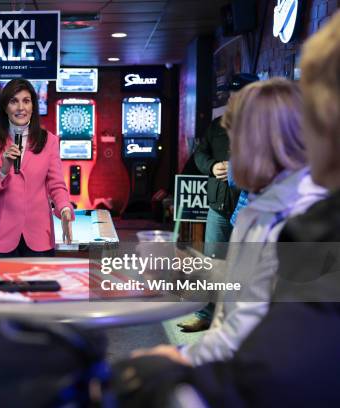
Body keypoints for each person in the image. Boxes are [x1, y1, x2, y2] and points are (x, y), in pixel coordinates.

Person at [120, 12, 340, 406]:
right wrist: (179, 261)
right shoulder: (261, 201)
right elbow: (241, 284)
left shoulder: (302, 219)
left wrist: (181, 365)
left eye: (233, 136)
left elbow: (252, 331)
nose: (229, 148)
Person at [180, 72, 259, 332]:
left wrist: (236, 170)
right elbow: (200, 153)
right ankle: (206, 314)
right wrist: (213, 167)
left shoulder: (262, 127)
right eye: (232, 93)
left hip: (248, 208)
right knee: (213, 262)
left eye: (240, 92)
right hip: (218, 207)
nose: (234, 97)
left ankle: (235, 320)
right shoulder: (217, 125)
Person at [0, 79, 74, 258]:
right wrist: (3, 170)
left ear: (33, 107)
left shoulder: (49, 141)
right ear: (5, 108)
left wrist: (64, 208)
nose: (21, 107)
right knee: (0, 287)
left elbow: (56, 184)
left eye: (26, 101)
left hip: (38, 236)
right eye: (14, 101)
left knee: (39, 286)